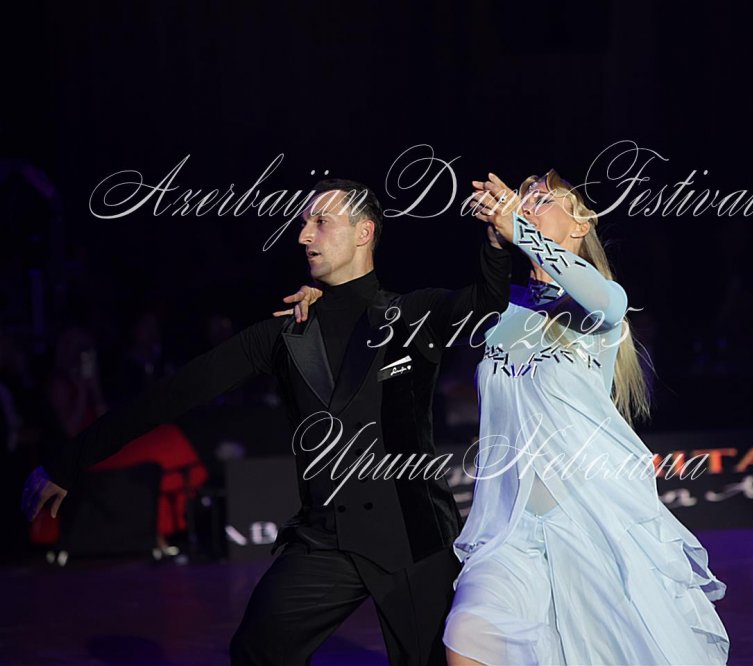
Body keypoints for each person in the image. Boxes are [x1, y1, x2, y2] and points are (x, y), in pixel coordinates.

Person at [21, 178, 513, 666]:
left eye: (321, 222)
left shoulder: (410, 315)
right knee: (258, 652)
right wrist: (69, 461)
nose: (304, 235)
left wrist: (495, 241)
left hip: (413, 537)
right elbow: (176, 393)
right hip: (326, 539)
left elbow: (486, 303)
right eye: (303, 223)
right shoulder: (285, 333)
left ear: (364, 232)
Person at [294, 170, 731, 664]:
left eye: (542, 200)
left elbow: (605, 301)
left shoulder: (600, 305)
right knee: (466, 643)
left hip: (591, 523)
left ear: (580, 225)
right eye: (522, 201)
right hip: (508, 530)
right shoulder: (499, 310)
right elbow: (399, 318)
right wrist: (331, 304)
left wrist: (516, 226)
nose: (527, 207)